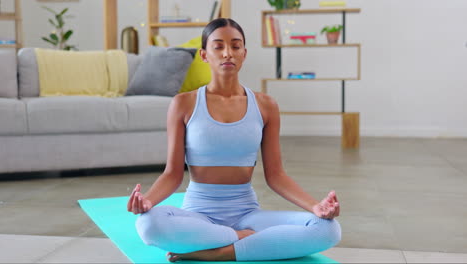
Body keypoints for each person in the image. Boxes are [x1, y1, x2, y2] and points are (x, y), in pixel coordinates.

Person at [127, 18, 341, 262]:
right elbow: (172, 174)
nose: (227, 53)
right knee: (148, 225)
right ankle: (242, 239)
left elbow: (276, 176)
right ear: (205, 55)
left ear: (244, 53)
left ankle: (218, 252)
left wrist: (316, 207)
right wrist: (148, 201)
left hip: (247, 214)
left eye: (235, 46)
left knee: (328, 229)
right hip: (199, 215)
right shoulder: (183, 104)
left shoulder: (266, 106)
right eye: (218, 46)